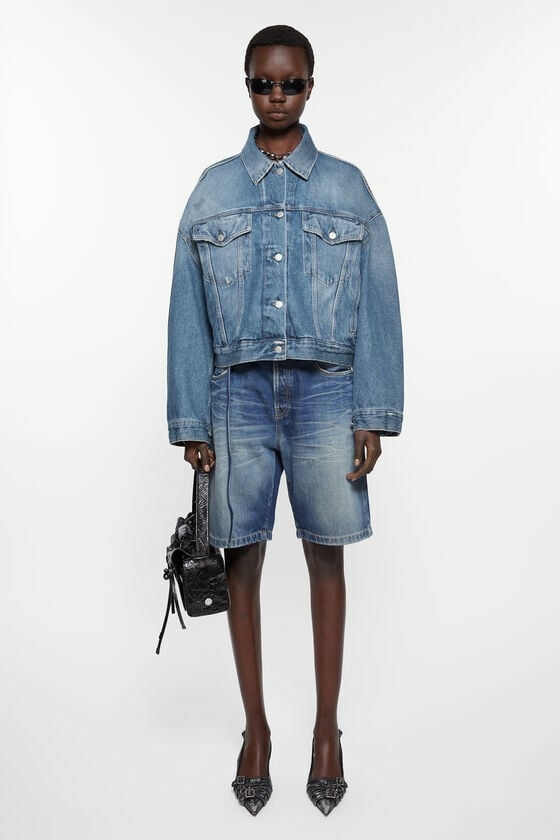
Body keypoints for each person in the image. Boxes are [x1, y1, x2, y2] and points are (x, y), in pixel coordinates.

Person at [167, 24, 404, 816]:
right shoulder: (213, 189)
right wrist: (190, 419)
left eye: (291, 83)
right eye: (263, 84)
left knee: (326, 556)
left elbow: (379, 299)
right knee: (241, 560)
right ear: (246, 85)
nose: (277, 97)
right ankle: (257, 730)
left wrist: (374, 411)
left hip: (328, 394)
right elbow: (186, 308)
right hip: (234, 396)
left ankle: (326, 730)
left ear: (310, 85)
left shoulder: (346, 185)